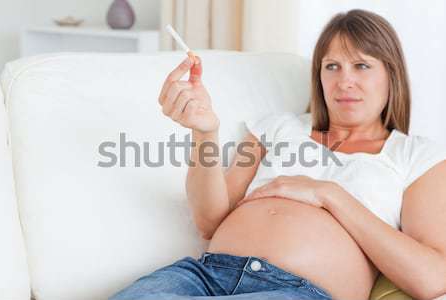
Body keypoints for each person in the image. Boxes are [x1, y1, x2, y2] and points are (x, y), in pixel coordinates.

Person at [109, 9, 446, 300]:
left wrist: (328, 195)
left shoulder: (415, 156)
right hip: (203, 277)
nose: (345, 81)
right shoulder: (277, 127)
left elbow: (432, 279)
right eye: (332, 66)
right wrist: (205, 132)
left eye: (361, 66)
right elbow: (208, 221)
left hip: (302, 291)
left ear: (392, 75)